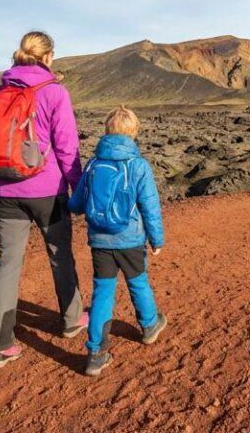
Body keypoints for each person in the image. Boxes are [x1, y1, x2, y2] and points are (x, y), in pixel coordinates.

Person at [0, 31, 86, 370]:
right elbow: (67, 147)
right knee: (59, 255)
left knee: (7, 264)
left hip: (6, 189)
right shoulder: (54, 92)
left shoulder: (1, 90)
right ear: (48, 56)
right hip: (47, 190)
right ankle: (72, 319)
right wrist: (78, 188)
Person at [69, 106, 167, 377]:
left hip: (100, 242)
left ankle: (96, 353)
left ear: (107, 130)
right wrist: (156, 240)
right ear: (133, 132)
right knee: (138, 282)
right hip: (131, 240)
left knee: (102, 293)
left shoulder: (92, 164)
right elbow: (150, 206)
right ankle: (149, 326)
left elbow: (76, 203)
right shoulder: (139, 166)